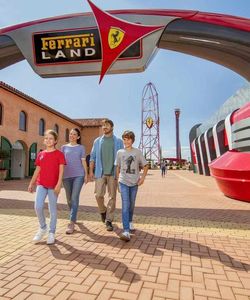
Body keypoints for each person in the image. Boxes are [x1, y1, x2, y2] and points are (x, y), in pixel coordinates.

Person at [28, 129, 66, 245]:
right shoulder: (41, 154)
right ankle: (43, 227)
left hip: (53, 186)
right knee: (38, 206)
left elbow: (61, 170)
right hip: (41, 184)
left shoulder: (59, 154)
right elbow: (37, 170)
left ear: (55, 141)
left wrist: (59, 184)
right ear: (44, 140)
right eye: (46, 138)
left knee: (52, 210)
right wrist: (31, 183)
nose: (48, 140)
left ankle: (51, 232)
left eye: (51, 138)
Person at [89, 119, 123, 231]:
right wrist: (90, 171)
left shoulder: (118, 141)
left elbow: (122, 158)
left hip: (113, 173)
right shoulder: (97, 141)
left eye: (107, 125)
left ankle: (109, 220)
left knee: (112, 197)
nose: (104, 127)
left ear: (112, 127)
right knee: (98, 195)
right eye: (103, 125)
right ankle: (103, 210)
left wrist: (121, 173)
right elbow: (92, 157)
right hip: (100, 172)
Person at [115, 130, 148, 241]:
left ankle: (129, 221)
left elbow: (146, 165)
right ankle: (126, 231)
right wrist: (117, 182)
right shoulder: (119, 152)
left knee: (131, 204)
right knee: (125, 205)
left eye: (128, 139)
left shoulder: (137, 152)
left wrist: (142, 178)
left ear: (132, 140)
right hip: (123, 181)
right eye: (124, 139)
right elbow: (117, 167)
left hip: (134, 183)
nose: (126, 141)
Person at [61, 128, 88, 234]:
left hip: (79, 175)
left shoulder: (81, 148)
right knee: (68, 199)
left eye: (74, 134)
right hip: (66, 176)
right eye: (71, 134)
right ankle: (74, 214)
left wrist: (86, 174)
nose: (72, 135)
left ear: (78, 137)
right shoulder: (63, 147)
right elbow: (61, 163)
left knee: (74, 197)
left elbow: (83, 162)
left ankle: (71, 222)